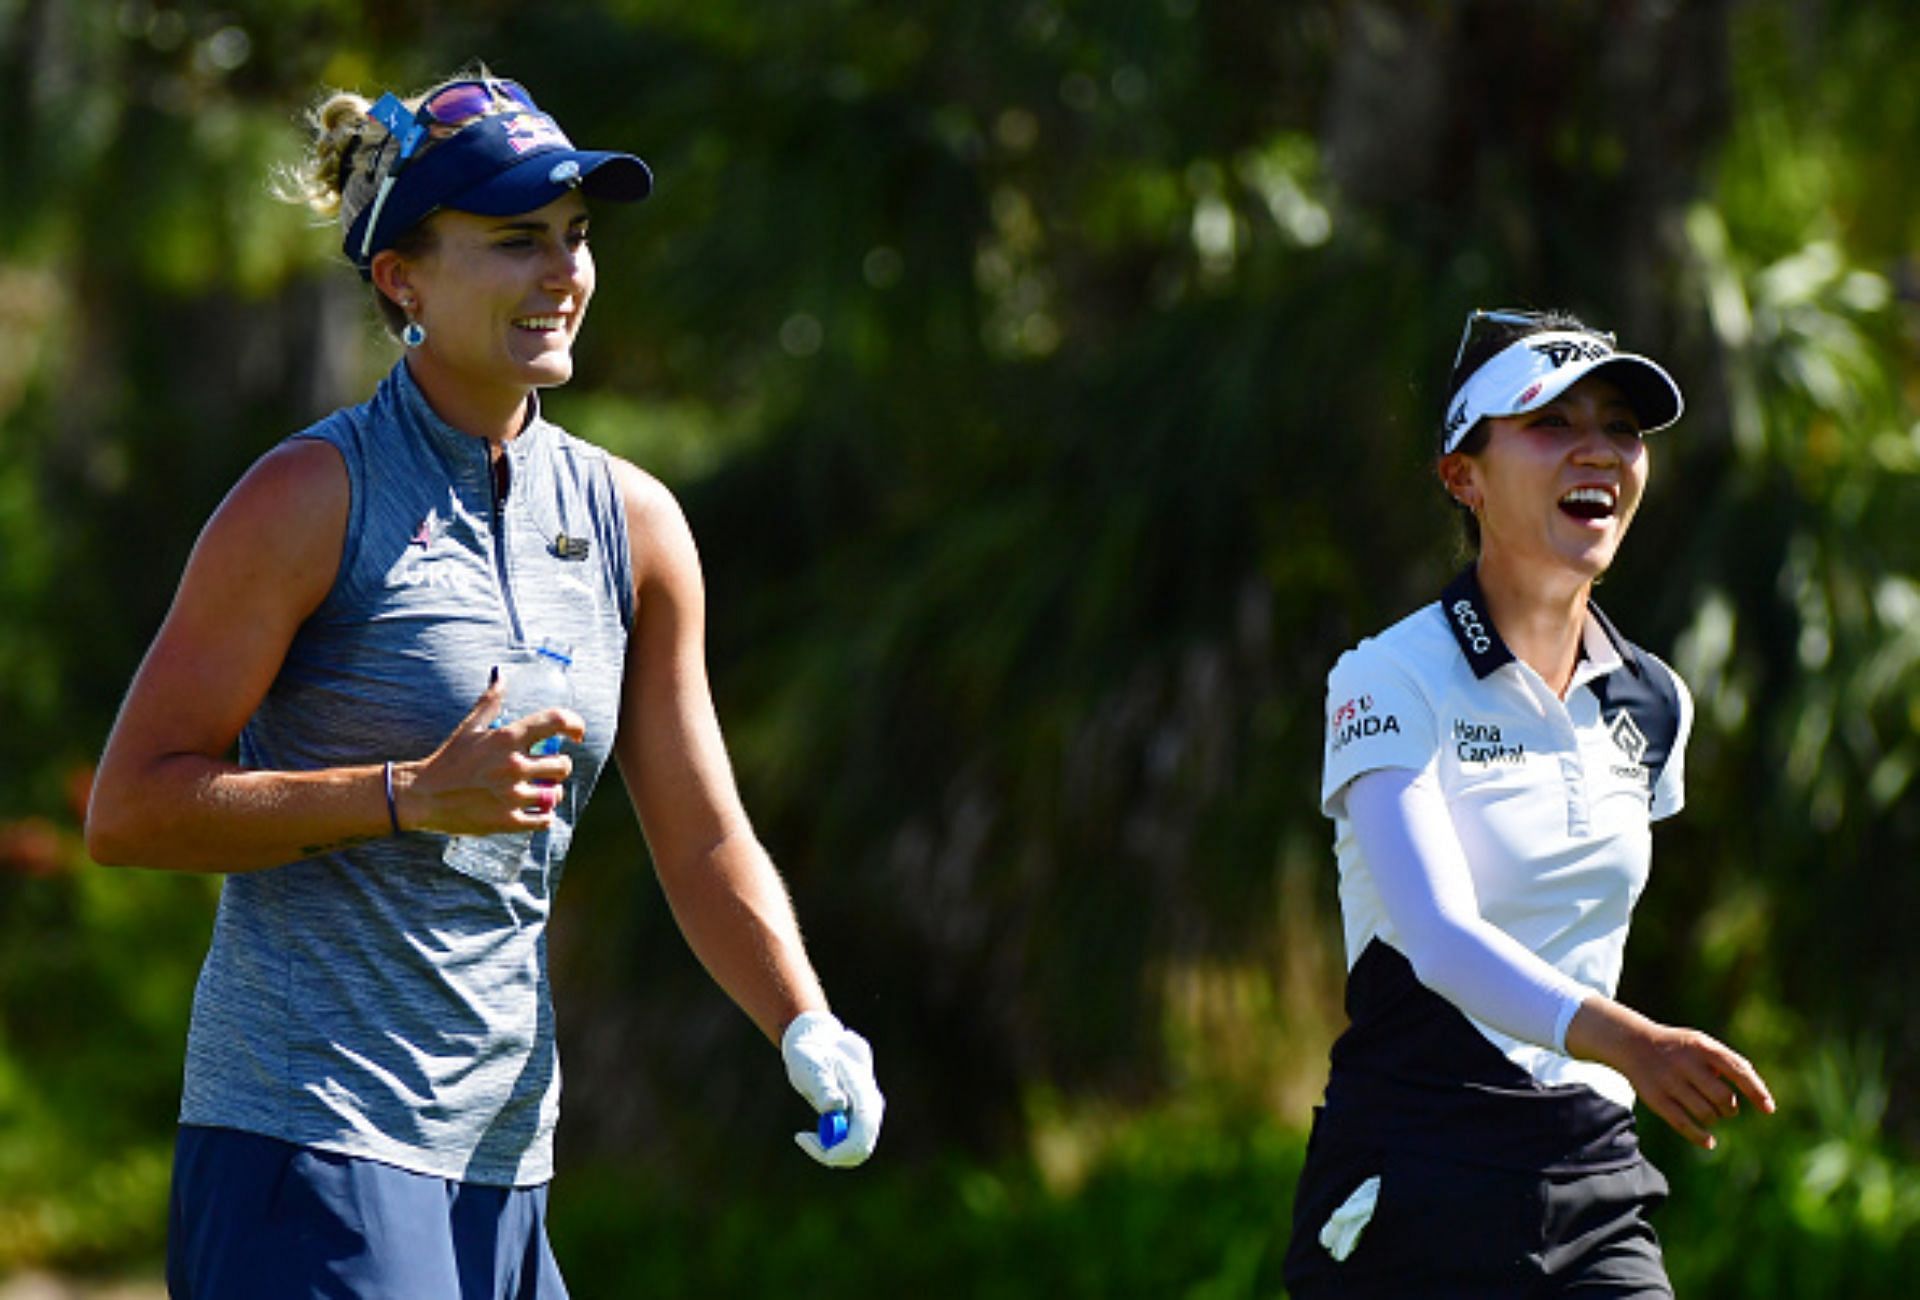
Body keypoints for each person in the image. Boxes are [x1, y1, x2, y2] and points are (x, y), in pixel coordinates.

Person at [85, 68, 883, 1299]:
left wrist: (805, 1019)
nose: (562, 274)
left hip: (504, 1168)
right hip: (308, 1139)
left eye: (574, 239)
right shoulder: (307, 499)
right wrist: (406, 793)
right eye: (515, 242)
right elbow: (132, 807)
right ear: (402, 279)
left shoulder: (635, 526)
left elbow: (701, 831)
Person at [1283, 308, 1774, 1297]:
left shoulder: (1654, 700)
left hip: (1591, 1174)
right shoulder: (1386, 678)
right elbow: (1438, 935)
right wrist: (1636, 1041)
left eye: (1622, 426)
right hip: (1413, 1180)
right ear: (1463, 476)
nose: (1600, 449)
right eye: (1553, 422)